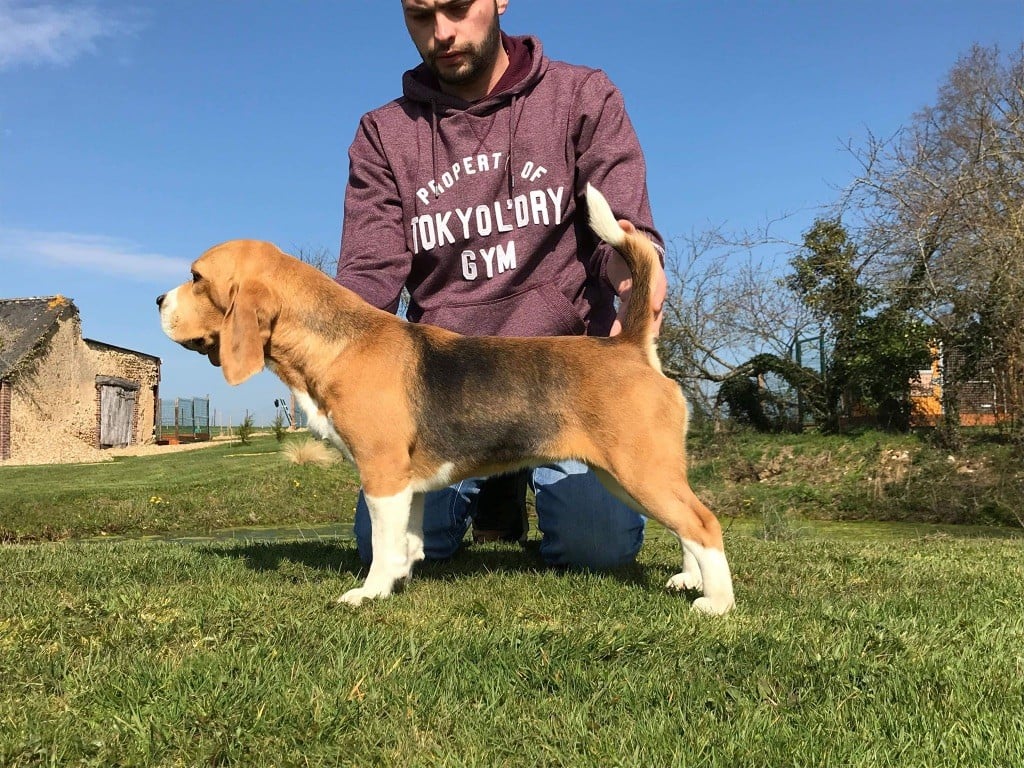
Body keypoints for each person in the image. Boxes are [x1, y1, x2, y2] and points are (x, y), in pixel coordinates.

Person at [336, 0, 667, 571]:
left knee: (599, 546)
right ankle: (497, 491)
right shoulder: (383, 134)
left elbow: (627, 226)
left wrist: (634, 275)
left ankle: (515, 485)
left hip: (565, 376)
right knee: (385, 547)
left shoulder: (583, 95)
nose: (441, 33)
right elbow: (368, 279)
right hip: (445, 391)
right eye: (419, 16)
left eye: (457, 8)